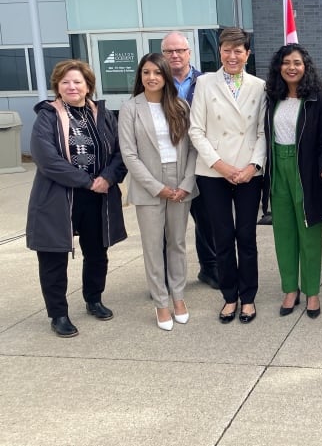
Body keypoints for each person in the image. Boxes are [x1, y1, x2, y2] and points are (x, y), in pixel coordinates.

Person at [26, 60, 127, 338]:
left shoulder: (103, 115)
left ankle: (94, 298)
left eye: (78, 82)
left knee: (97, 251)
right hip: (58, 197)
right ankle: (58, 313)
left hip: (98, 197)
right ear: (57, 86)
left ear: (88, 86)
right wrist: (86, 181)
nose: (72, 86)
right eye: (65, 82)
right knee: (54, 256)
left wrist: (107, 177)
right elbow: (46, 158)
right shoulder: (47, 116)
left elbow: (121, 152)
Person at [188, 27, 266, 324]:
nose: (232, 56)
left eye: (238, 50)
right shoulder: (204, 83)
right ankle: (229, 296)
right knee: (222, 236)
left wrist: (252, 167)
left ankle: (248, 297)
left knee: (246, 236)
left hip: (248, 172)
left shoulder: (260, 86)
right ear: (219, 51)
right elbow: (196, 129)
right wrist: (219, 165)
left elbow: (262, 131)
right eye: (226, 50)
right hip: (213, 171)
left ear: (247, 54)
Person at [118, 53, 197, 331]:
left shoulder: (180, 106)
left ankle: (178, 297)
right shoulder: (130, 108)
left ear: (166, 76)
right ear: (140, 76)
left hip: (179, 182)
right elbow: (129, 153)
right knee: (153, 247)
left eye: (157, 73)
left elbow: (191, 149)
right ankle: (161, 302)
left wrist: (186, 182)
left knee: (176, 243)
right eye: (146, 72)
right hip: (148, 184)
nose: (152, 77)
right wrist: (156, 187)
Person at [265, 44, 322, 319]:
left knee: (308, 234)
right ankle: (289, 289)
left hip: (305, 171)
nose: (291, 67)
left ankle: (312, 291)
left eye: (297, 62)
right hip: (278, 170)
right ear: (279, 67)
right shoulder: (272, 98)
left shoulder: (320, 99)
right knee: (283, 232)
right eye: (286, 63)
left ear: (305, 67)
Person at [161, 31, 219, 289]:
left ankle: (210, 268)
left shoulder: (206, 82)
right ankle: (165, 276)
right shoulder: (156, 82)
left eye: (179, 50)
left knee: (207, 219)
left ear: (189, 53)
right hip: (169, 161)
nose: (175, 55)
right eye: (169, 51)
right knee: (168, 226)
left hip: (204, 160)